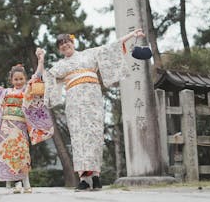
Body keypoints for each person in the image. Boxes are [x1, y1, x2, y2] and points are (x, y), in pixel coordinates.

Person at [44, 29, 144, 191]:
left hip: (93, 100)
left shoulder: (90, 54)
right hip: (74, 104)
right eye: (61, 44)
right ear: (59, 49)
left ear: (73, 42)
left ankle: (96, 176)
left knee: (95, 135)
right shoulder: (60, 66)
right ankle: (83, 178)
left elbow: (112, 47)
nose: (64, 45)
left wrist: (132, 35)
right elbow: (46, 77)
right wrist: (41, 62)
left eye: (66, 42)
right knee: (79, 138)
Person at [0, 48, 54, 194]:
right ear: (11, 80)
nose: (18, 81)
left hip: (20, 127)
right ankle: (16, 183)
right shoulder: (5, 92)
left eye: (21, 79)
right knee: (8, 154)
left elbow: (37, 75)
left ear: (24, 79)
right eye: (16, 79)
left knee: (22, 153)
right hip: (6, 127)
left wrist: (41, 60)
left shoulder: (27, 90)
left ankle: (25, 181)